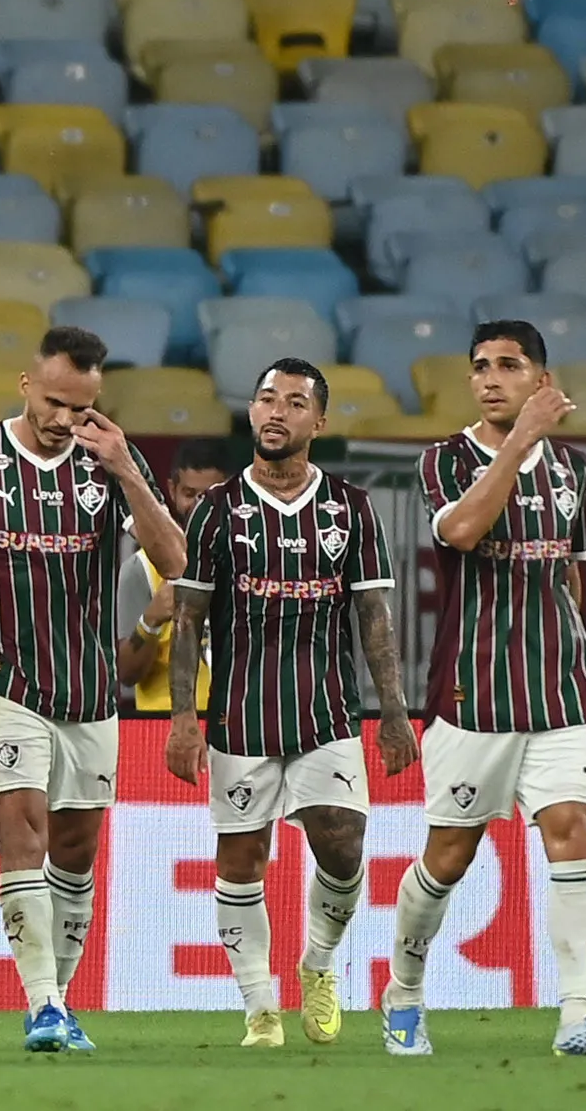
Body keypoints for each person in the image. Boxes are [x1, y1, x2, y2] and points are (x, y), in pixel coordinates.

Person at [0, 326, 186, 1052]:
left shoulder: (108, 463)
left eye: (78, 406)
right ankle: (41, 1000)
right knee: (22, 827)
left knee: (75, 846)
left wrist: (129, 471)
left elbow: (177, 561)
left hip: (88, 685)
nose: (62, 418)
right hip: (1, 678)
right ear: (24, 384)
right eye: (51, 400)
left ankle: (58, 1002)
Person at [380, 319, 586, 1060]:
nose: (491, 377)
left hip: (559, 694)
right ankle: (403, 992)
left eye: (508, 365)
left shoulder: (575, 468)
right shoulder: (444, 459)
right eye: (481, 366)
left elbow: (570, 567)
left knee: (573, 833)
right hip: (471, 695)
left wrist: (568, 644)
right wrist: (519, 441)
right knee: (448, 858)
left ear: (540, 379)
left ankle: (577, 1015)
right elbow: (460, 531)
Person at [163, 358, 418, 1049]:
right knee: (240, 860)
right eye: (266, 399)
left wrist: (392, 712)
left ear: (319, 421)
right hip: (240, 718)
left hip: (325, 711)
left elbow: (373, 616)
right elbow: (187, 618)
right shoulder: (216, 508)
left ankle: (316, 963)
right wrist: (184, 717)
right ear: (251, 412)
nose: (276, 411)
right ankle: (258, 1007)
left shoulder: (350, 507)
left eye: (295, 402)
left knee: (342, 842)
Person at [113, 438, 236, 712]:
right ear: (172, 489)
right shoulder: (142, 569)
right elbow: (126, 675)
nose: (199, 506)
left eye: (210, 496)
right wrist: (152, 619)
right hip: (159, 728)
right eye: (190, 494)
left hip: (241, 729)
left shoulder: (256, 563)